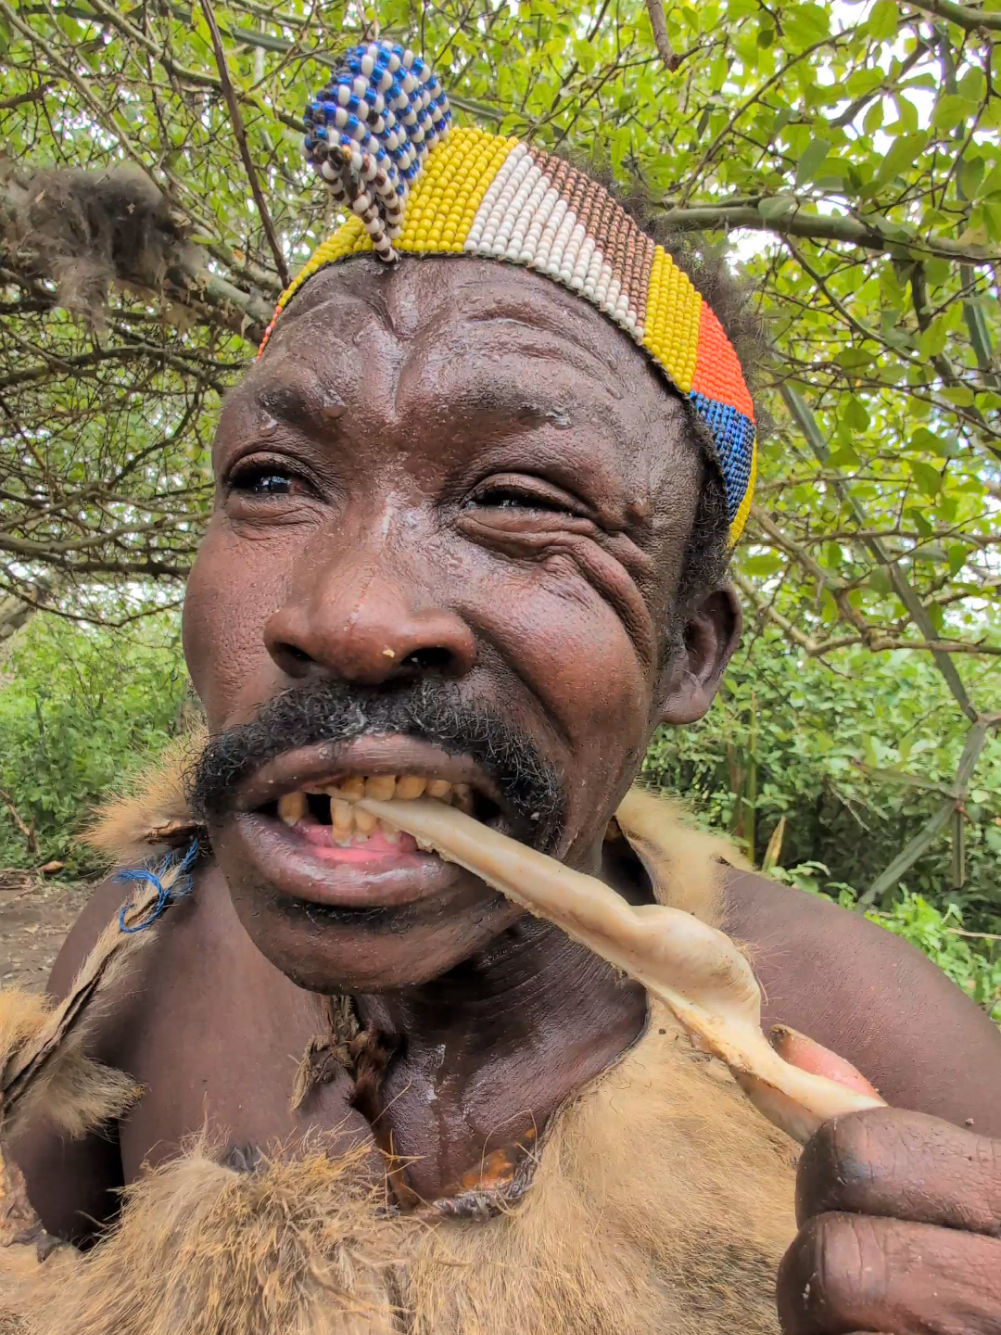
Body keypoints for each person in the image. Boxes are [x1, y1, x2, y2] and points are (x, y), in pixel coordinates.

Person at [2, 38, 1001, 1335]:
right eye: (272, 479)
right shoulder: (138, 945)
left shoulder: (887, 1061)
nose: (350, 613)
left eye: (520, 498)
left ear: (688, 648)